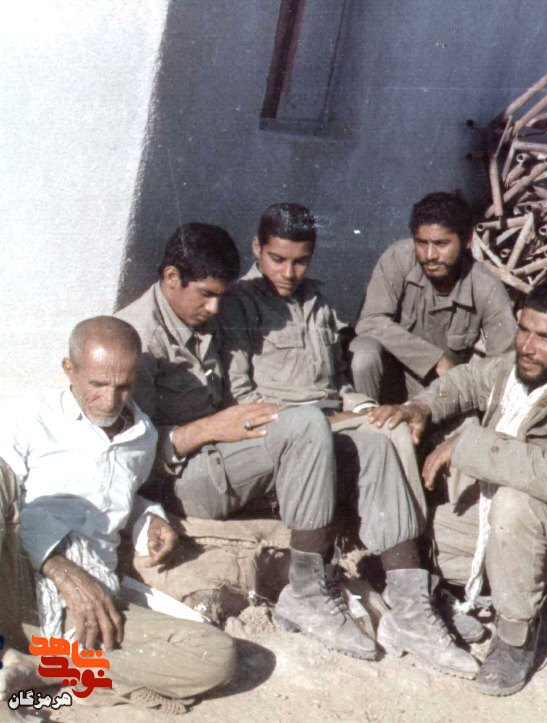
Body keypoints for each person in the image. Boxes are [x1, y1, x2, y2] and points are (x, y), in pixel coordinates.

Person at [117, 223, 476, 677]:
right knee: (305, 423)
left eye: (220, 296)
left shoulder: (205, 315)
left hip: (230, 454)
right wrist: (208, 428)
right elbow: (129, 453)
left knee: (374, 438)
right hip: (184, 478)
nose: (215, 308)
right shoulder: (136, 340)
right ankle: (306, 593)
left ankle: (411, 607)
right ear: (172, 277)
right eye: (206, 295)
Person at [370, 280, 547, 696]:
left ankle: (516, 636)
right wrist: (422, 406)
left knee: (514, 503)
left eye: (545, 337)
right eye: (523, 330)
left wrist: (470, 446)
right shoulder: (525, 370)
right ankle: (467, 595)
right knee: (419, 530)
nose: (527, 347)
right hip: (541, 527)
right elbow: (468, 380)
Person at [0, 317, 234, 713]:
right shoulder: (28, 416)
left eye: (123, 386)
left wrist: (148, 517)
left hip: (90, 606)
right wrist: (56, 565)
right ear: (69, 369)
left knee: (215, 654)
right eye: (97, 384)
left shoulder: (142, 437)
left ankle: (41, 670)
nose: (110, 400)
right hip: (17, 583)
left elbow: (114, 493)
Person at [217, 202, 426, 521]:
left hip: (333, 415)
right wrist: (310, 421)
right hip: (288, 427)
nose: (289, 273)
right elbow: (239, 395)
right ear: (257, 248)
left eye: (301, 262)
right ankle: (406, 532)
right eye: (277, 259)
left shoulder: (318, 303)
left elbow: (337, 380)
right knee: (385, 437)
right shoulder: (239, 304)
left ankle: (406, 533)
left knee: (391, 424)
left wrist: (364, 407)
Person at [351, 191, 516, 403]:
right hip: (389, 381)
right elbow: (369, 322)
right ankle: (364, 416)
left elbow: (504, 362)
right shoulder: (399, 258)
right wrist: (434, 359)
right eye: (421, 243)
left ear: (467, 241)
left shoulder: (486, 287)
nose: (430, 255)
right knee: (364, 353)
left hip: (441, 392)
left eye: (441, 244)